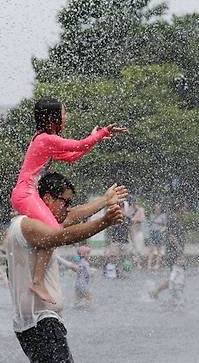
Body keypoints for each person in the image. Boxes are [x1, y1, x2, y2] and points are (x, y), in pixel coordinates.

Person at [11, 97, 127, 303]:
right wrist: (101, 134)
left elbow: (73, 155)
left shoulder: (45, 140)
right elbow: (80, 144)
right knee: (55, 232)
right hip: (25, 194)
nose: (67, 117)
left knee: (53, 230)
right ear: (53, 117)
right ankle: (37, 282)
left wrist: (94, 139)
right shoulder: (44, 139)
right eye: (64, 113)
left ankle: (37, 280)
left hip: (28, 193)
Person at [7, 172, 124, 363]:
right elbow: (61, 237)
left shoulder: (36, 222)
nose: (68, 208)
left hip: (38, 324)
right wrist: (105, 221)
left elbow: (72, 217)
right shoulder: (26, 225)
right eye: (65, 202)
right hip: (41, 323)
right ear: (47, 199)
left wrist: (104, 200)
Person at [150, 201, 186, 299]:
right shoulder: (174, 219)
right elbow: (171, 236)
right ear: (179, 208)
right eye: (183, 207)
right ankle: (175, 299)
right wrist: (179, 252)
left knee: (174, 276)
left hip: (172, 252)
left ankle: (156, 291)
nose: (185, 210)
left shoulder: (173, 218)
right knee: (176, 277)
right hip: (174, 253)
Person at [125, 196, 146, 268]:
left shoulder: (140, 210)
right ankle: (133, 262)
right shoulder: (127, 210)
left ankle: (138, 263)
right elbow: (126, 220)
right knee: (131, 248)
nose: (132, 203)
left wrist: (134, 220)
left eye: (133, 202)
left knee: (139, 248)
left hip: (138, 232)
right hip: (130, 232)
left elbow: (142, 219)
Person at [147, 201, 167, 270]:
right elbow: (150, 224)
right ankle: (149, 264)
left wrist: (162, 230)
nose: (157, 209)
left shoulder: (163, 215)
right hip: (152, 232)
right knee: (151, 249)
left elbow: (165, 225)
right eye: (155, 208)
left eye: (158, 208)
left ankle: (157, 264)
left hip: (159, 233)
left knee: (159, 250)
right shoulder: (151, 215)